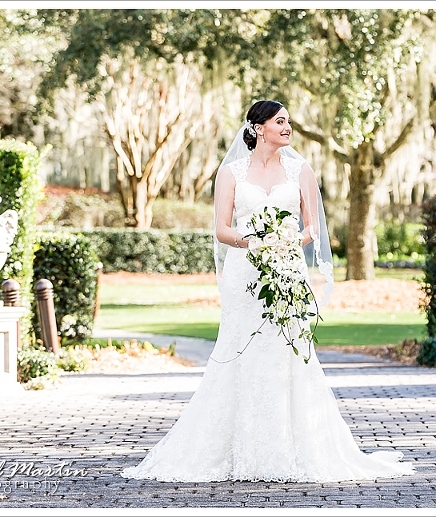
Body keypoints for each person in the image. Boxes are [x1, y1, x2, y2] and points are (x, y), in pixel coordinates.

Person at [121, 100, 414, 482]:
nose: (288, 127)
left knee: (287, 355)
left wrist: (287, 241)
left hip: (287, 271)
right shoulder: (231, 173)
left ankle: (289, 448)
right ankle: (233, 448)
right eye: (280, 121)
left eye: (288, 121)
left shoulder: (301, 170)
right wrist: (255, 242)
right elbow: (222, 230)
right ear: (259, 128)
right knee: (241, 351)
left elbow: (314, 228)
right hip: (244, 273)